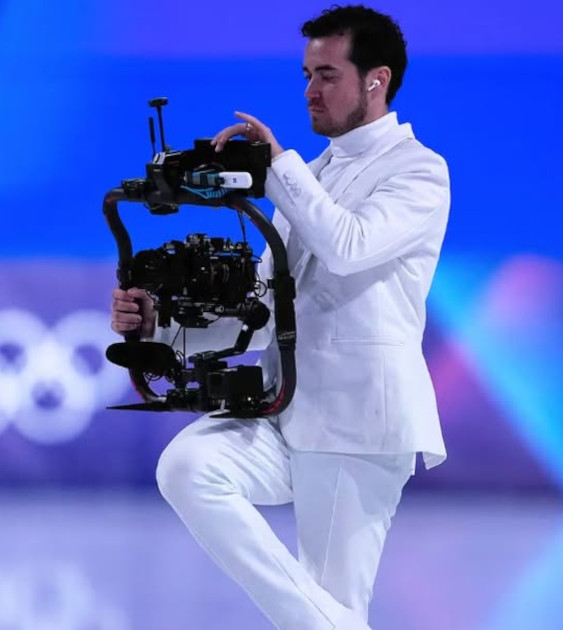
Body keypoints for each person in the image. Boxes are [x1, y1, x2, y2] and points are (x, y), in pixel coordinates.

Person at [109, 5, 449, 629]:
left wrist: (278, 166)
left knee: (330, 603)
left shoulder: (419, 171)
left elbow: (347, 248)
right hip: (284, 407)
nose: (310, 91)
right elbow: (262, 310)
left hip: (361, 423)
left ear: (376, 79)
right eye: (306, 74)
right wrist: (155, 322)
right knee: (188, 468)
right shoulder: (309, 177)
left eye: (326, 74)